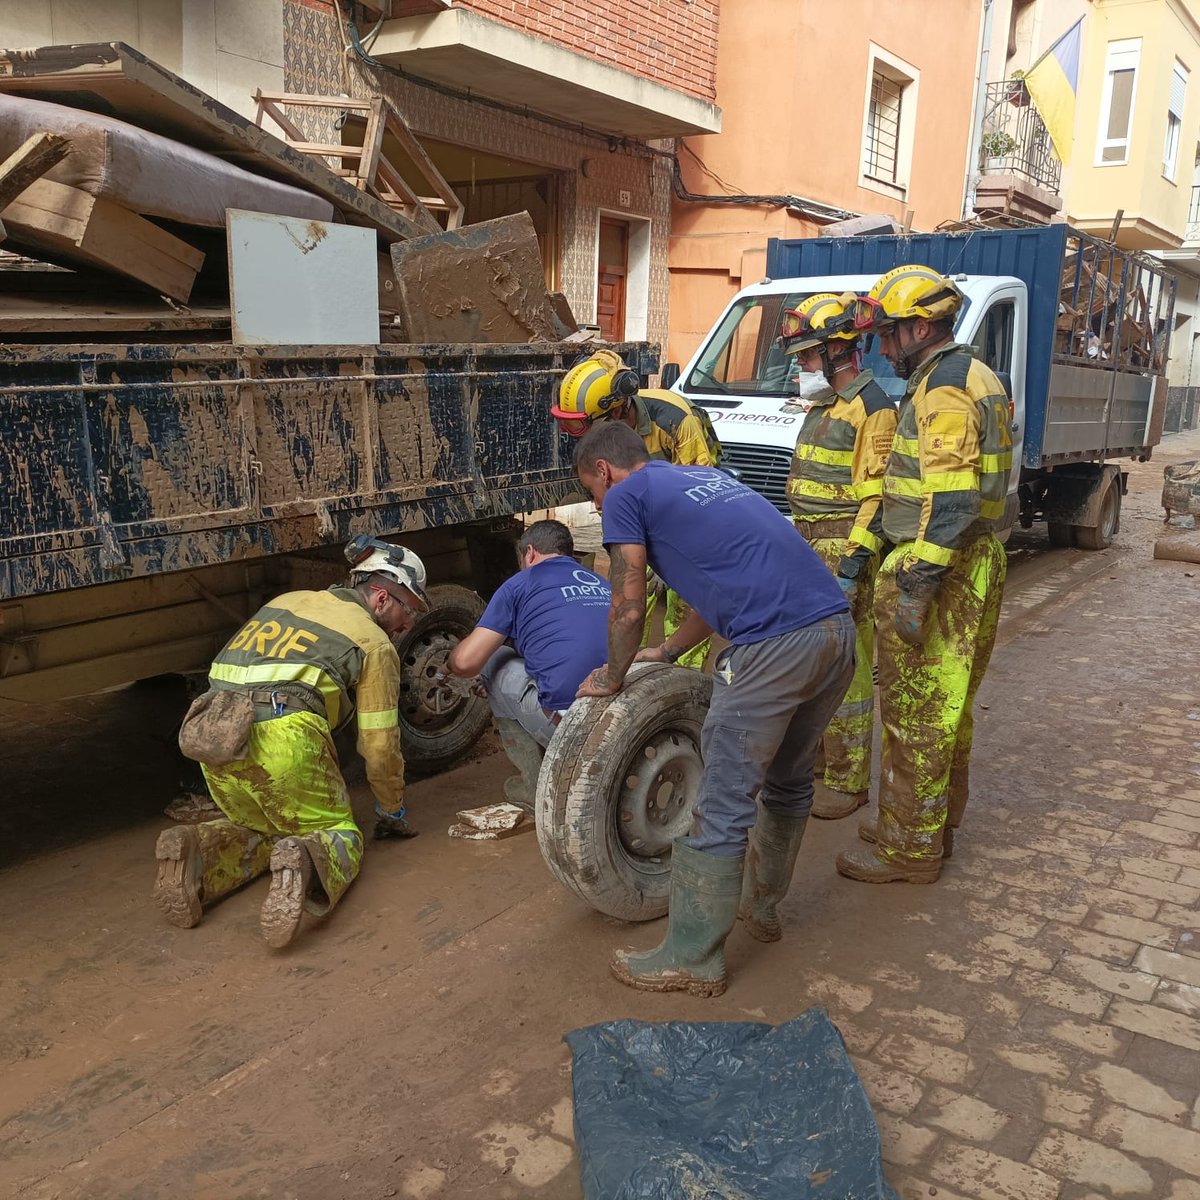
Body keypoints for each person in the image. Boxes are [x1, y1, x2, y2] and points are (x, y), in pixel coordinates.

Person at [573, 421, 854, 997]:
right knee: (788, 779)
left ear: (603, 471)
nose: (599, 508)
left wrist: (613, 674)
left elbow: (626, 605)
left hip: (774, 649)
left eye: (592, 495)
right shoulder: (703, 478)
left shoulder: (626, 495)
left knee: (720, 803)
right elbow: (721, 583)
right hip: (835, 632)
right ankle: (765, 909)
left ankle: (693, 958)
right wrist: (671, 649)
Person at [154, 536, 425, 947]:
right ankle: (304, 862)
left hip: (214, 734)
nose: (408, 625)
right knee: (336, 830)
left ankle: (195, 848)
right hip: (286, 736)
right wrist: (391, 808)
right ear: (382, 597)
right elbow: (378, 743)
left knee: (261, 824)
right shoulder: (374, 643)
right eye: (410, 610)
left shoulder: (290, 600)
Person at [835, 265, 1013, 884]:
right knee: (946, 710)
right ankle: (925, 824)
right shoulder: (965, 375)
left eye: (888, 334)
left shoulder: (942, 390)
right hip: (970, 560)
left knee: (916, 711)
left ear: (919, 326)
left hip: (941, 564)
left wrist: (916, 582)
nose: (881, 348)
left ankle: (908, 853)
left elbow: (951, 498)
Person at [780, 293, 898, 820]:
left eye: (807, 354)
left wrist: (852, 570)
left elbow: (876, 497)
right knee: (813, 664)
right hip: (807, 549)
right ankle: (822, 764)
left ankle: (849, 781)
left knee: (846, 670)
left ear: (837, 350)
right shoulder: (826, 405)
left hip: (842, 551)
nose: (802, 364)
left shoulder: (874, 409)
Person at [551, 349, 721, 670]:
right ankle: (627, 681)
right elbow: (611, 503)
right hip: (644, 521)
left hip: (689, 526)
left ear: (615, 411)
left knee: (685, 611)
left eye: (585, 426)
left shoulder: (676, 421)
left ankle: (683, 694)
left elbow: (701, 501)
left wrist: (668, 558)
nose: (582, 437)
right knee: (625, 610)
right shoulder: (602, 439)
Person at [445, 519, 610, 808]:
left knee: (493, 661)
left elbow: (466, 662)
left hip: (574, 728)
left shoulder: (519, 584)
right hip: (618, 718)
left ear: (530, 553)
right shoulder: (602, 582)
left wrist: (451, 662)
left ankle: (532, 787)